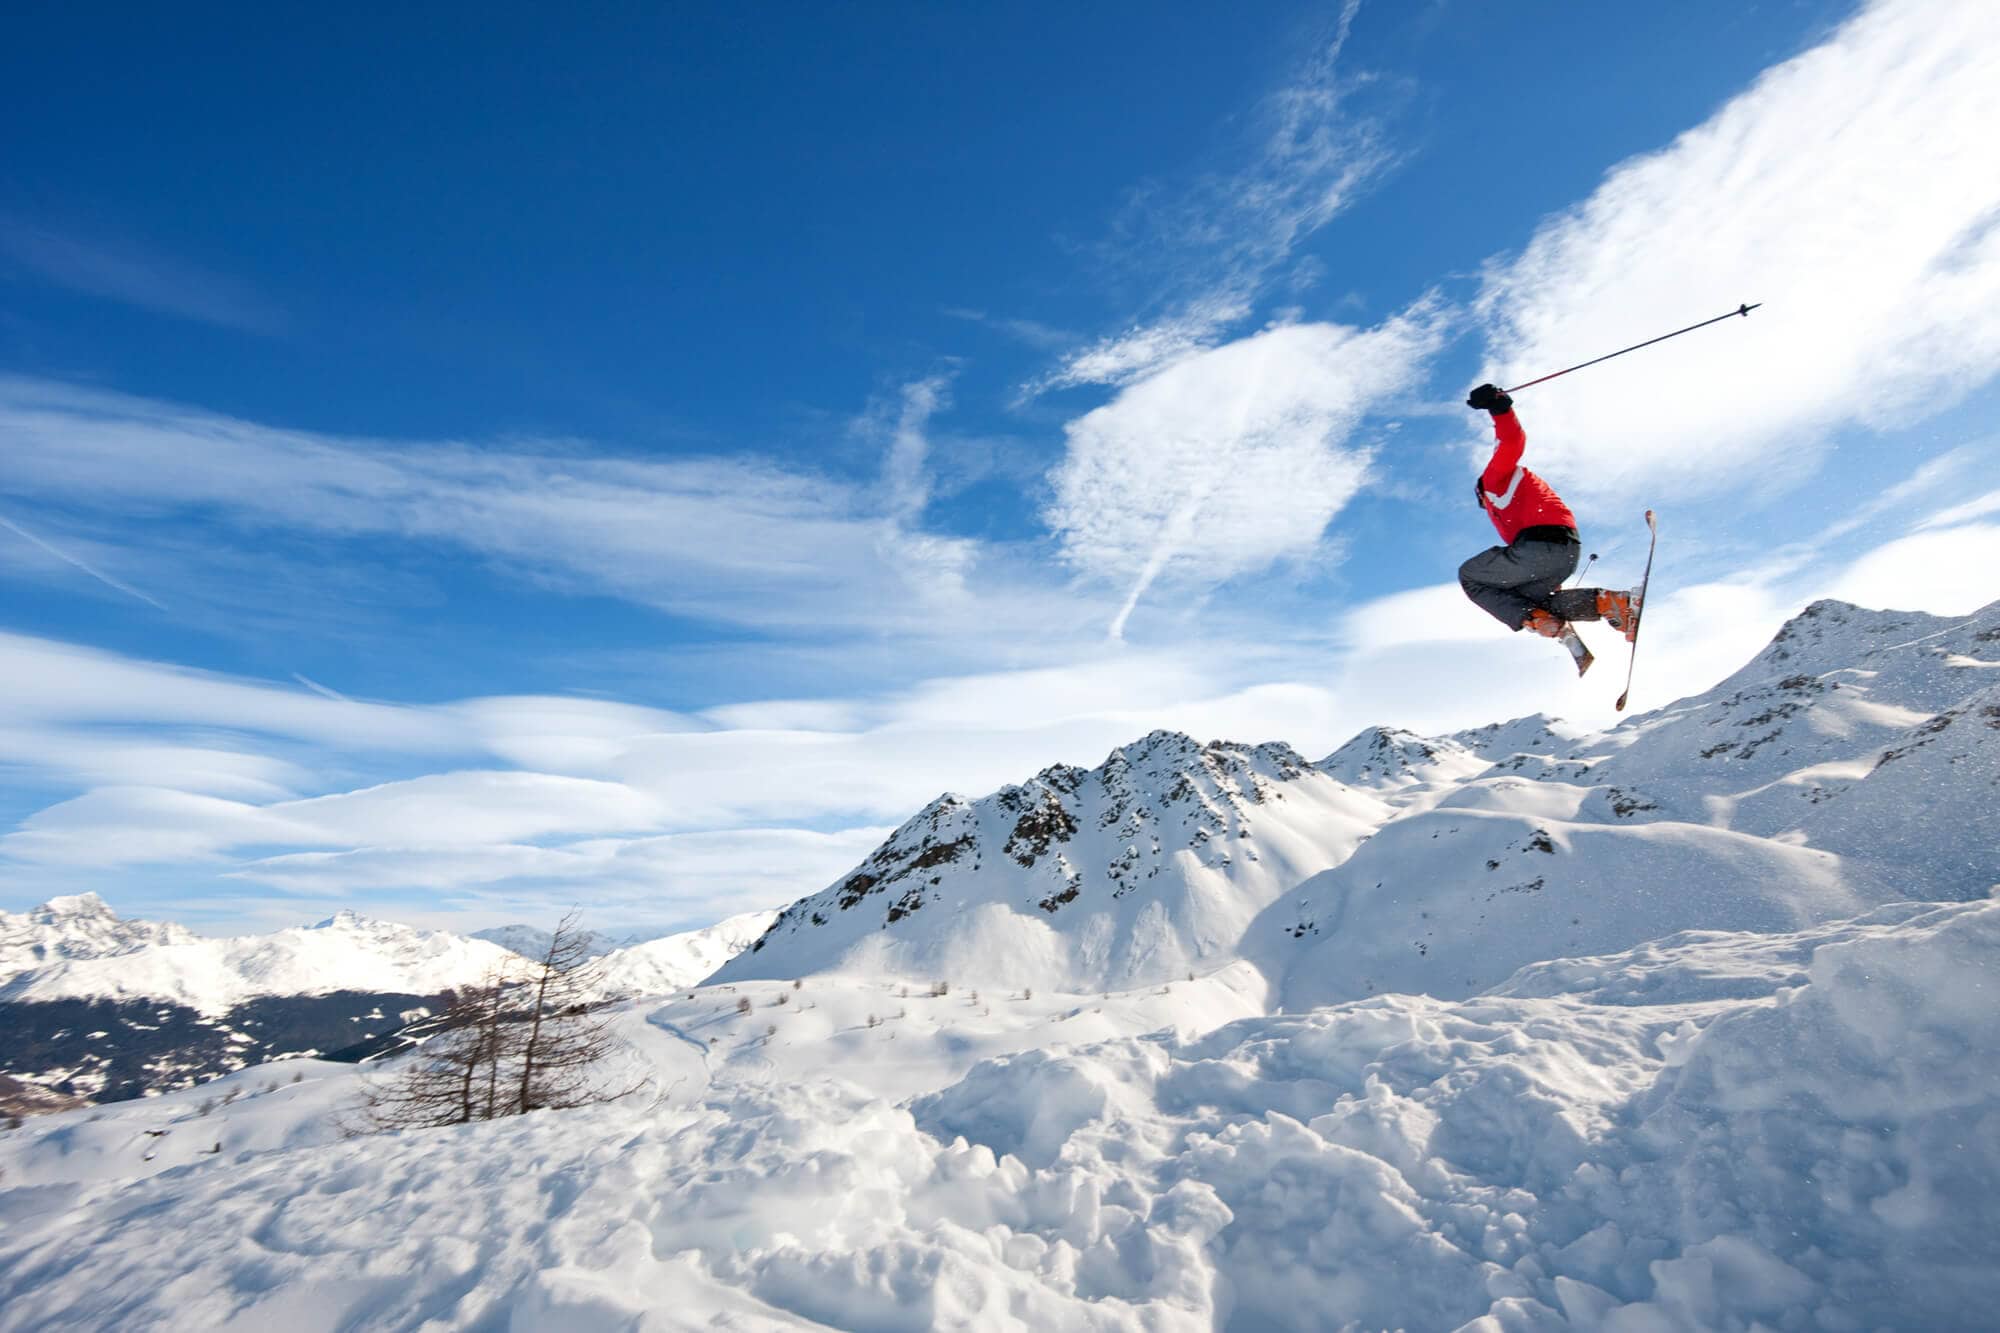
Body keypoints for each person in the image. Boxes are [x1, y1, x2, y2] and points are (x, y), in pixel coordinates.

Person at [1459, 384, 1636, 664]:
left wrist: (1499, 407)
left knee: (1470, 576)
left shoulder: (1494, 481)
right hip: (1564, 552)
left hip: (1543, 543)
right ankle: (1610, 605)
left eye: (1482, 502)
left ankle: (1535, 618)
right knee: (1525, 600)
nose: (1485, 507)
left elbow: (1512, 441)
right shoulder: (1510, 511)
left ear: (1480, 492)